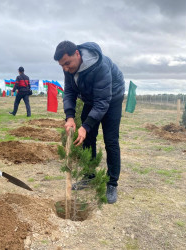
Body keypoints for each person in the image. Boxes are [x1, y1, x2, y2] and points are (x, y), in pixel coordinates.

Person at [54, 41, 125, 204]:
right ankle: (89, 176)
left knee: (111, 140)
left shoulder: (100, 66)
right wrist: (70, 117)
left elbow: (103, 101)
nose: (65, 68)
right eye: (61, 65)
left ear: (77, 54)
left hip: (112, 97)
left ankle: (112, 183)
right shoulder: (69, 69)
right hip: (91, 98)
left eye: (67, 63)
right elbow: (70, 91)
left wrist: (85, 126)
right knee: (87, 138)